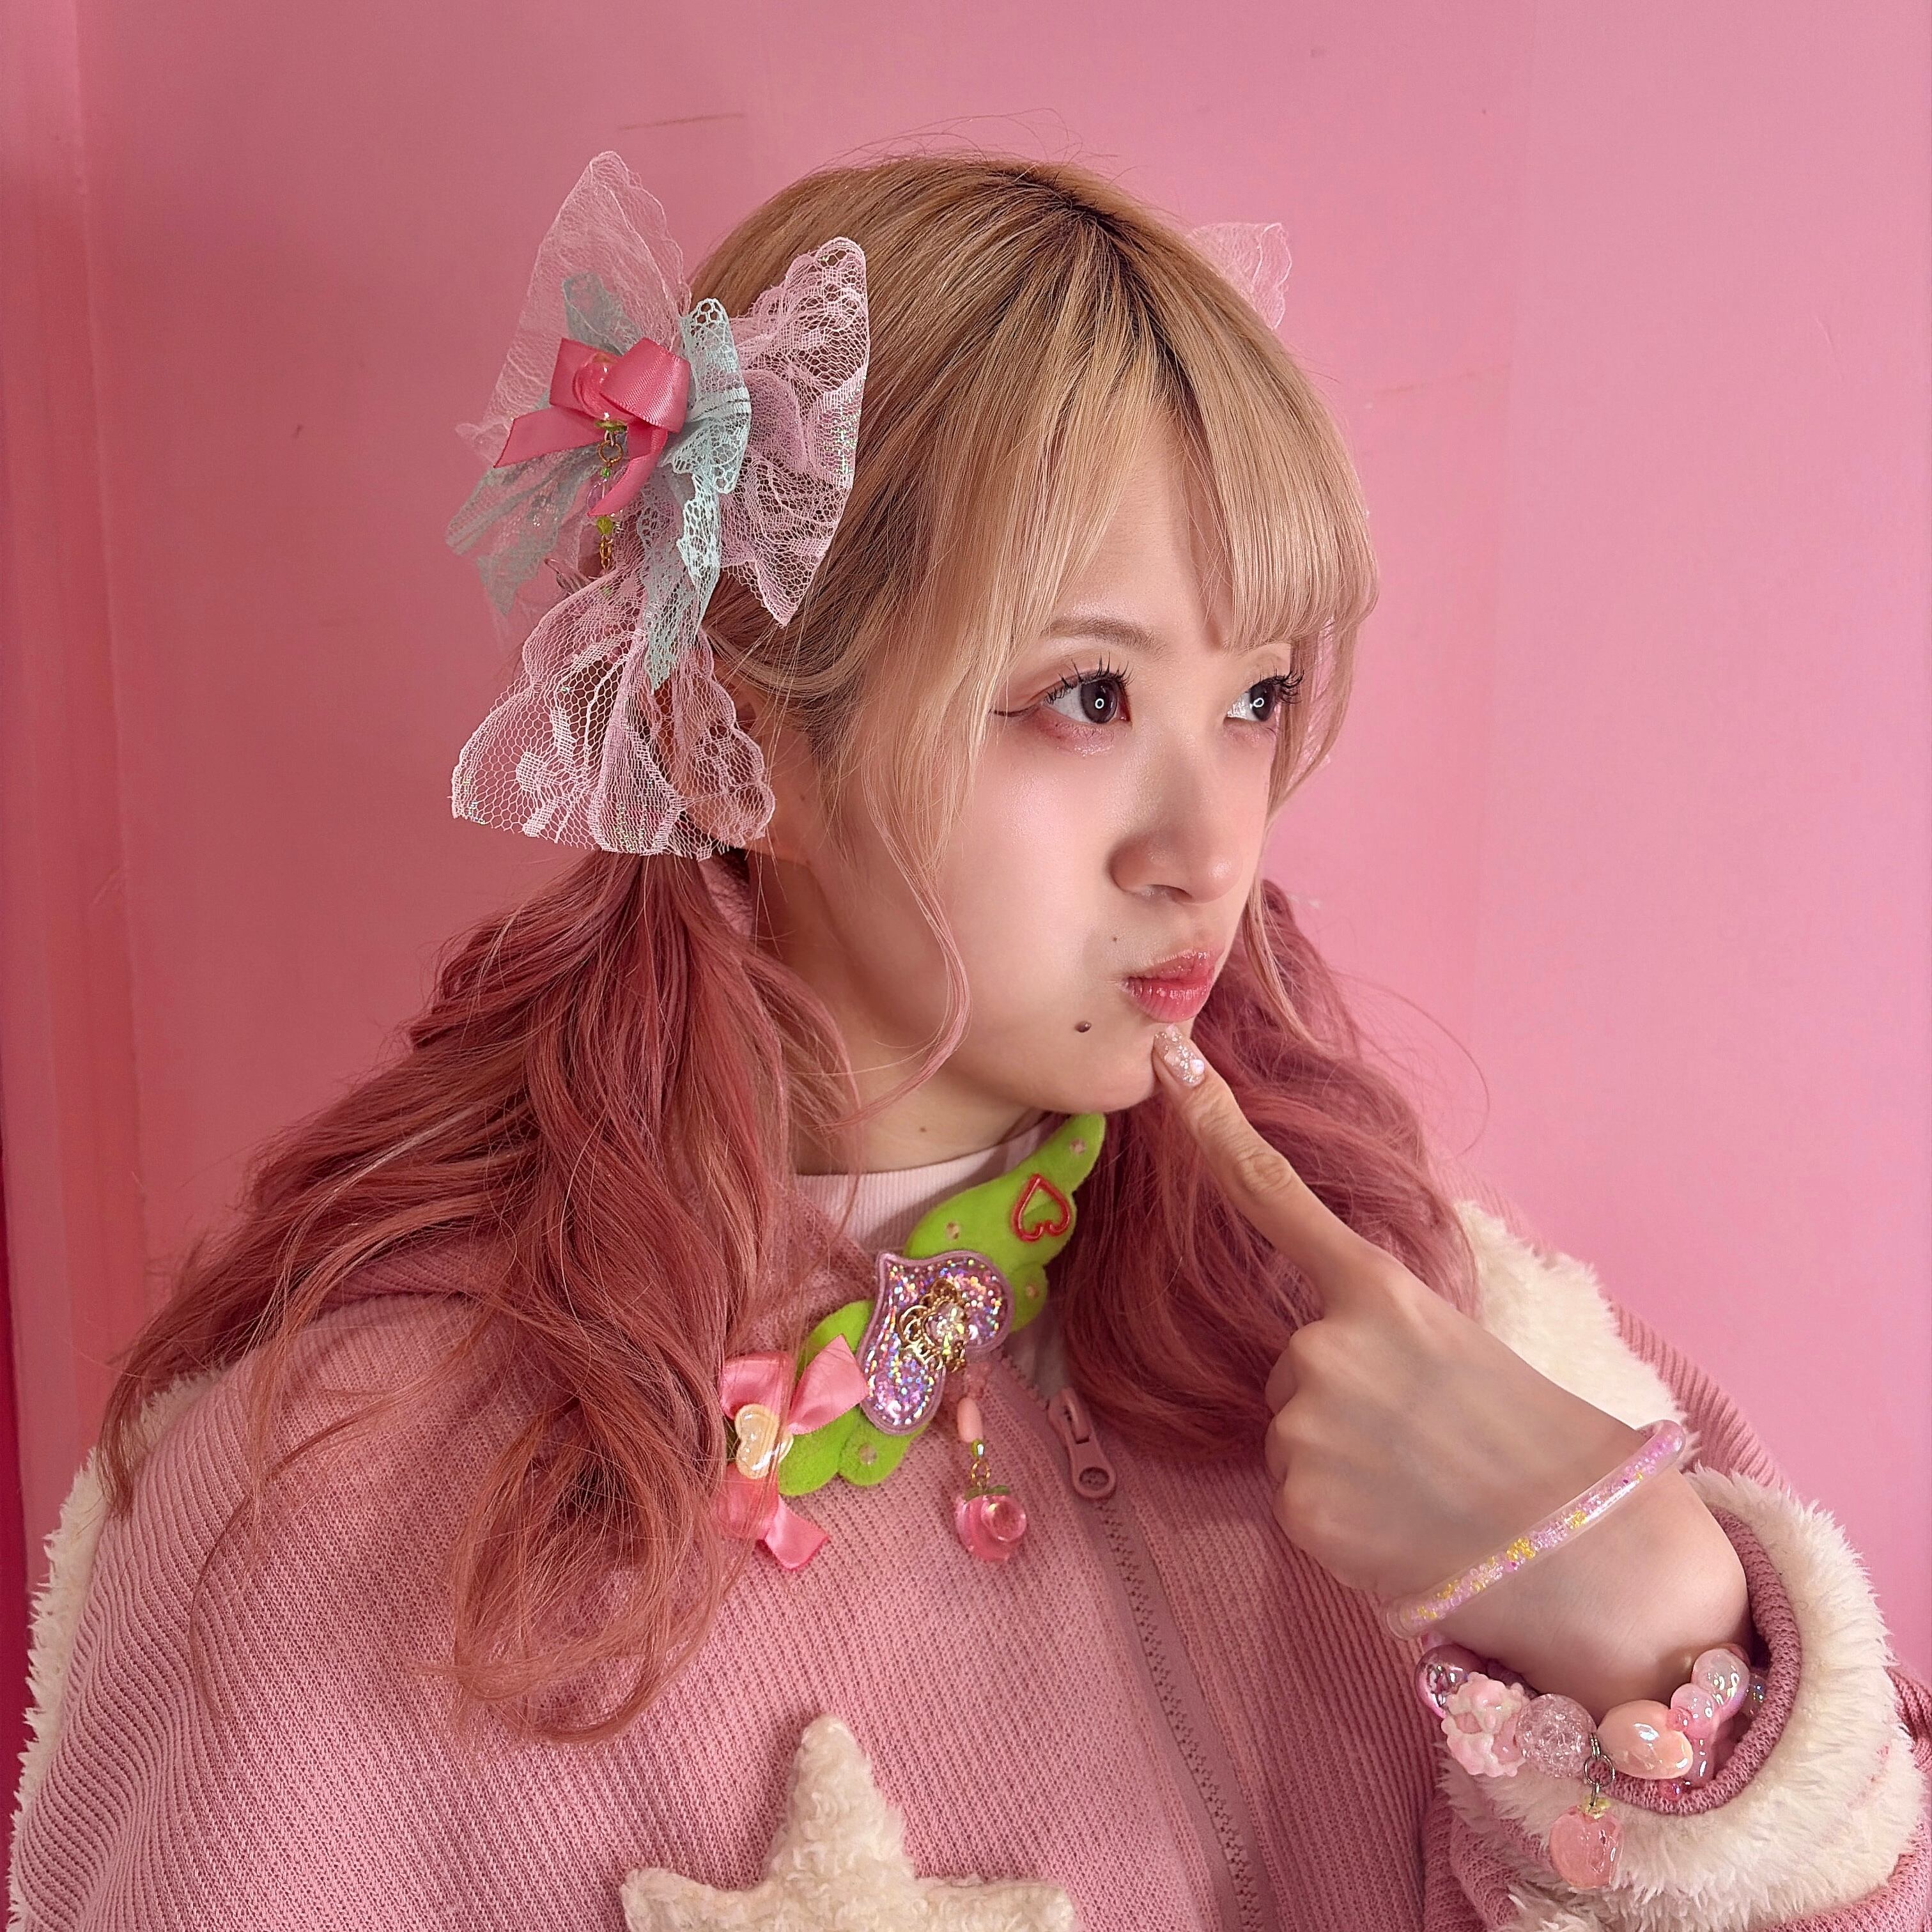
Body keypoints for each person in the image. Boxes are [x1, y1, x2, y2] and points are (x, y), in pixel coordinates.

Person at [10, 150, 1928, 1932]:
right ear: (722, 741)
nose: (1210, 849)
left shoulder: (1443, 1329)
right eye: (1087, 695)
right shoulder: (345, 1502)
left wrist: (1641, 1619)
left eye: (1256, 698)